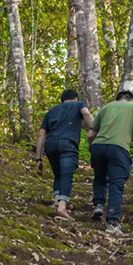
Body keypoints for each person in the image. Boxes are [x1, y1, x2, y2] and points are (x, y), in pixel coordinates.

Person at [86, 89, 133, 235]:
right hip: (118, 149)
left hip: (98, 146)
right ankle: (112, 223)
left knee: (99, 177)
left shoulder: (105, 108)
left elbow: (91, 134)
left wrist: (91, 148)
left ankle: (98, 204)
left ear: (117, 99)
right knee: (116, 184)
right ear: (132, 99)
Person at [35, 89, 94, 220]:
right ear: (75, 98)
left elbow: (41, 134)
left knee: (58, 174)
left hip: (50, 145)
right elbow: (86, 113)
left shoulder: (51, 111)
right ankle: (62, 207)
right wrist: (96, 130)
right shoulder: (79, 105)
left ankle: (56, 199)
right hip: (68, 143)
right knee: (67, 174)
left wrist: (38, 158)